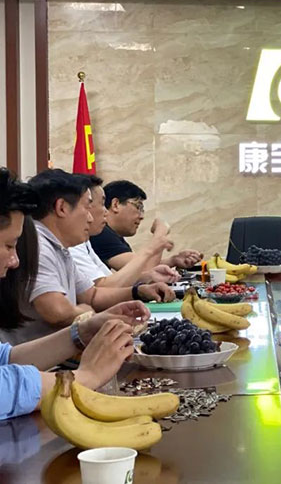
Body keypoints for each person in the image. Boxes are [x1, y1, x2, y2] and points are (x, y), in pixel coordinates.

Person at [0, 167, 149, 420]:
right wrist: (87, 376)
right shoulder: (40, 245)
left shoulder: (63, 248)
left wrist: (81, 332)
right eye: (8, 246)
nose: (15, 261)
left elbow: (6, 358)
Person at [1, 169, 172, 345]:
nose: (90, 218)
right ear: (62, 208)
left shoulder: (60, 247)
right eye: (86, 207)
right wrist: (90, 314)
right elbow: (58, 312)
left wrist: (137, 291)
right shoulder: (38, 245)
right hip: (40, 358)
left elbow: (91, 296)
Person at [70, 175, 180, 287]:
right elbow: (144, 268)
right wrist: (159, 235)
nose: (141, 216)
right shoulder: (98, 235)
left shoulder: (88, 240)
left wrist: (170, 262)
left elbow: (109, 281)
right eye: (138, 207)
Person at [90, 180, 202, 271]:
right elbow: (143, 272)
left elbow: (139, 267)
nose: (141, 216)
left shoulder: (110, 234)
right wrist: (160, 232)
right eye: (138, 207)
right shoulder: (101, 233)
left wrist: (173, 261)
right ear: (115, 205)